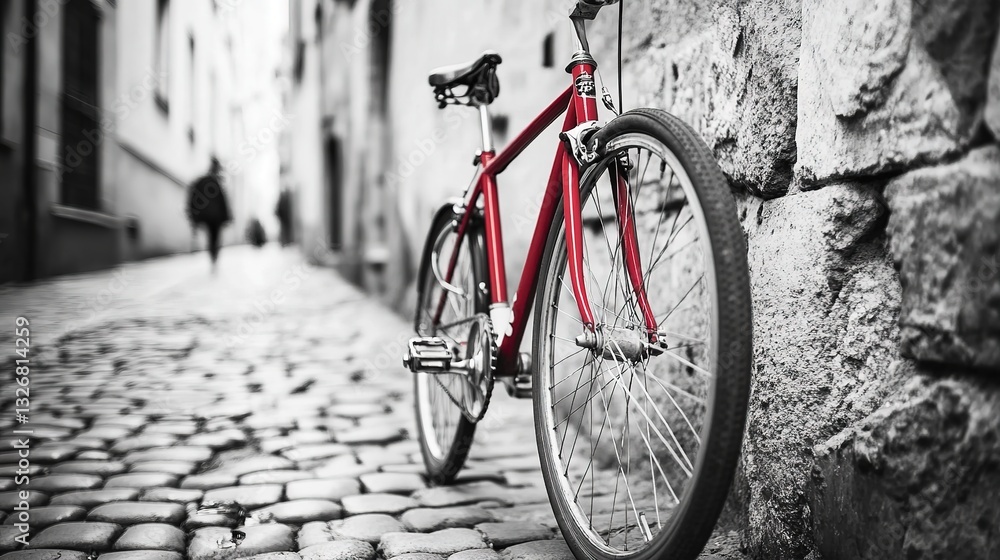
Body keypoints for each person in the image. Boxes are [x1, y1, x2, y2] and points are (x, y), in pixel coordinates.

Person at [186, 157, 232, 269]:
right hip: (215, 217)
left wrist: (193, 213)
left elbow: (194, 195)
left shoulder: (204, 181)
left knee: (212, 237)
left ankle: (213, 256)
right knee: (214, 237)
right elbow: (223, 201)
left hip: (208, 216)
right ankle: (213, 257)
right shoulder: (216, 183)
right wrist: (227, 217)